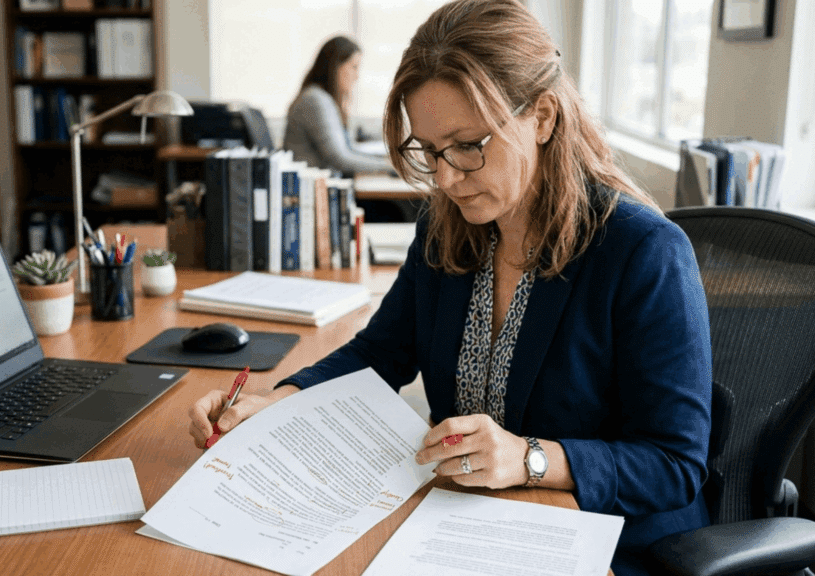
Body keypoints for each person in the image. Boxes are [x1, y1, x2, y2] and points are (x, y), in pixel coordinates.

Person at [190, 1, 712, 573]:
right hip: (470, 527)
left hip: (606, 543)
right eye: (430, 150)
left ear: (542, 117)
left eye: (467, 146)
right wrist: (274, 405)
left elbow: (674, 463)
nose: (444, 177)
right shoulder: (446, 228)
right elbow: (380, 352)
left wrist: (529, 458)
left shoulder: (643, 252)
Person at [283, 35, 392, 176]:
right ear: (336, 67)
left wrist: (386, 161)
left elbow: (348, 150)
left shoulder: (322, 98)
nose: (357, 75)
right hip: (317, 191)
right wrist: (391, 167)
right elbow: (340, 158)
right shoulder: (315, 100)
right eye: (354, 67)